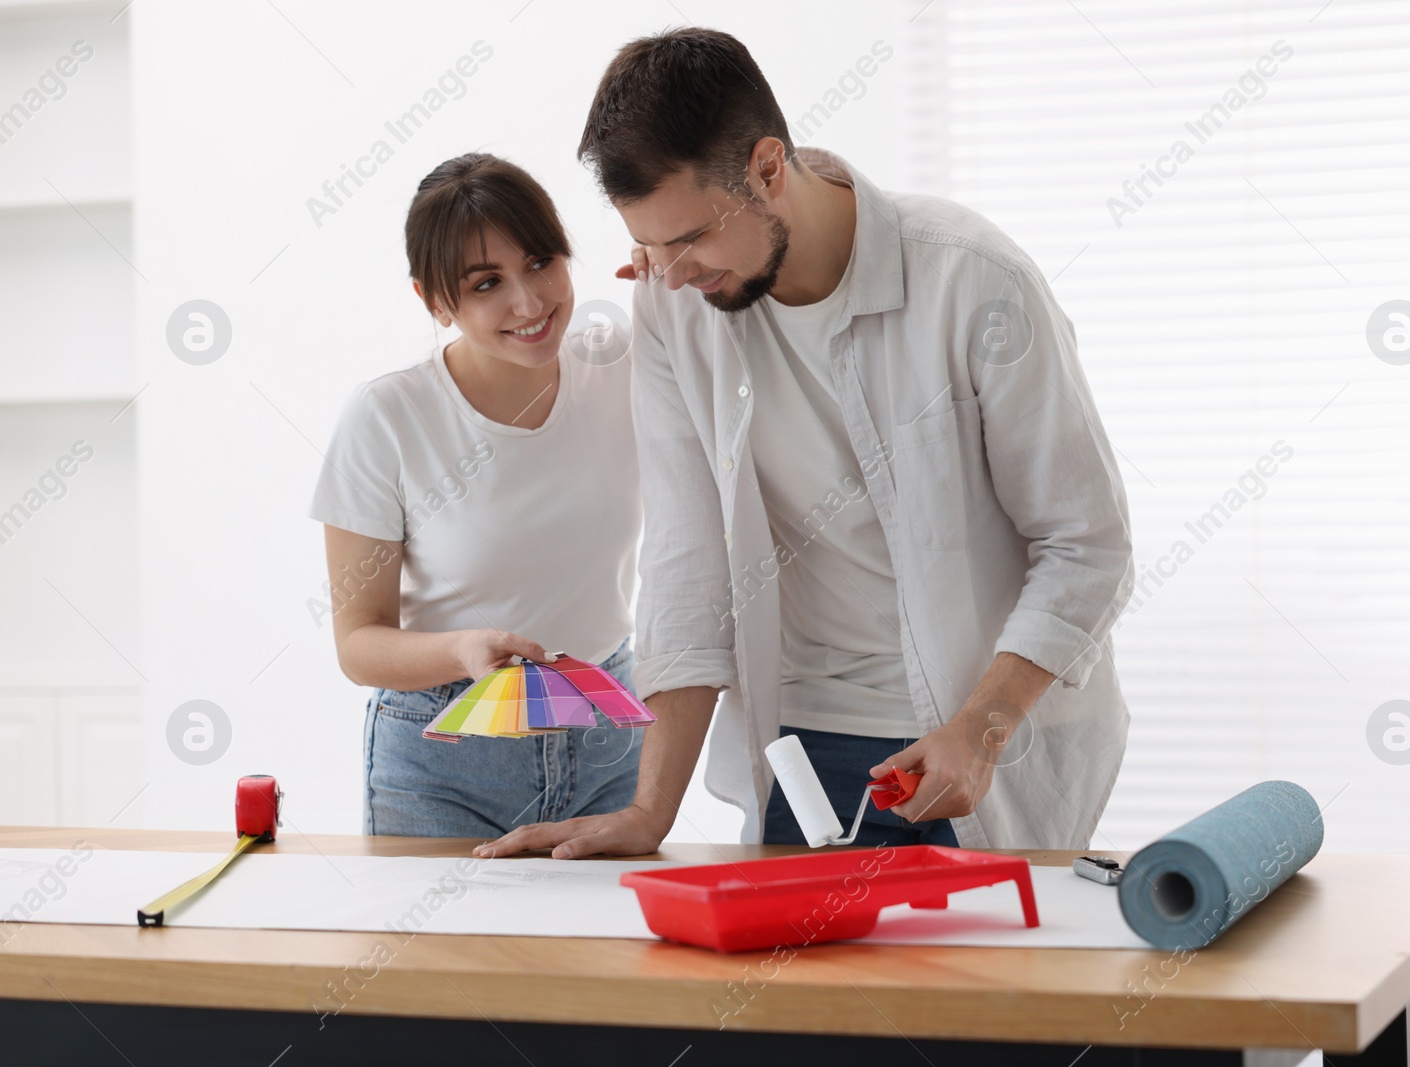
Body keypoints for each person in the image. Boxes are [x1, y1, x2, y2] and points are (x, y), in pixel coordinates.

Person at [476, 28, 1132, 861]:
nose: (668, 272)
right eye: (650, 243)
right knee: (802, 990)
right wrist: (650, 812)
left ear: (768, 169)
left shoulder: (975, 282)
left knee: (972, 987)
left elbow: (1087, 545)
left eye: (687, 240)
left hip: (985, 739)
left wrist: (981, 729)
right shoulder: (676, 304)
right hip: (806, 745)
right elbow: (685, 561)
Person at [309, 152, 643, 838]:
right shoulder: (387, 416)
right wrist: (462, 650)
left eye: (542, 261)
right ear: (434, 302)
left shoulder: (619, 362)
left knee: (604, 948)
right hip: (445, 755)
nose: (530, 302)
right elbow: (358, 643)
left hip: (608, 731)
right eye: (487, 282)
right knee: (450, 950)